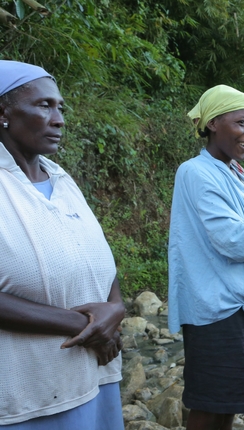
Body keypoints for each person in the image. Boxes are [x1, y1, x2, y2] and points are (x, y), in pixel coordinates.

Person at [0, 60, 124, 428]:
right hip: (31, 393)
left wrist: (114, 309)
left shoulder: (60, 178)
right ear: (2, 112)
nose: (59, 119)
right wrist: (84, 325)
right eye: (44, 106)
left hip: (95, 377)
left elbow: (97, 258)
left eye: (61, 107)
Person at [168, 85, 244, 430]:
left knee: (234, 399)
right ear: (214, 123)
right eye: (241, 122)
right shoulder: (196, 172)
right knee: (210, 403)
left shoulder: (236, 172)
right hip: (215, 305)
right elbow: (240, 242)